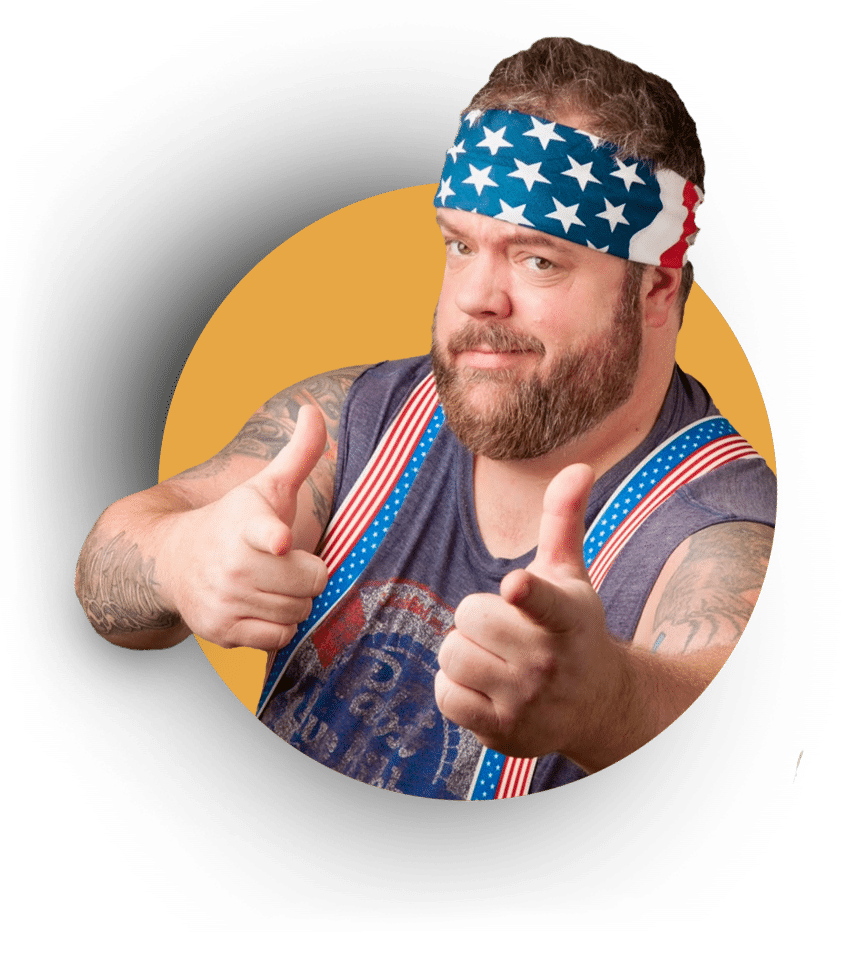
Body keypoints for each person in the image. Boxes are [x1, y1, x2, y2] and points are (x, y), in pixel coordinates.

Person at [74, 36, 776, 799]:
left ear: (656, 291)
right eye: (459, 245)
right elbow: (106, 571)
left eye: (537, 258)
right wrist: (182, 557)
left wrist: (602, 699)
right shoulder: (357, 421)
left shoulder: (722, 527)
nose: (477, 296)